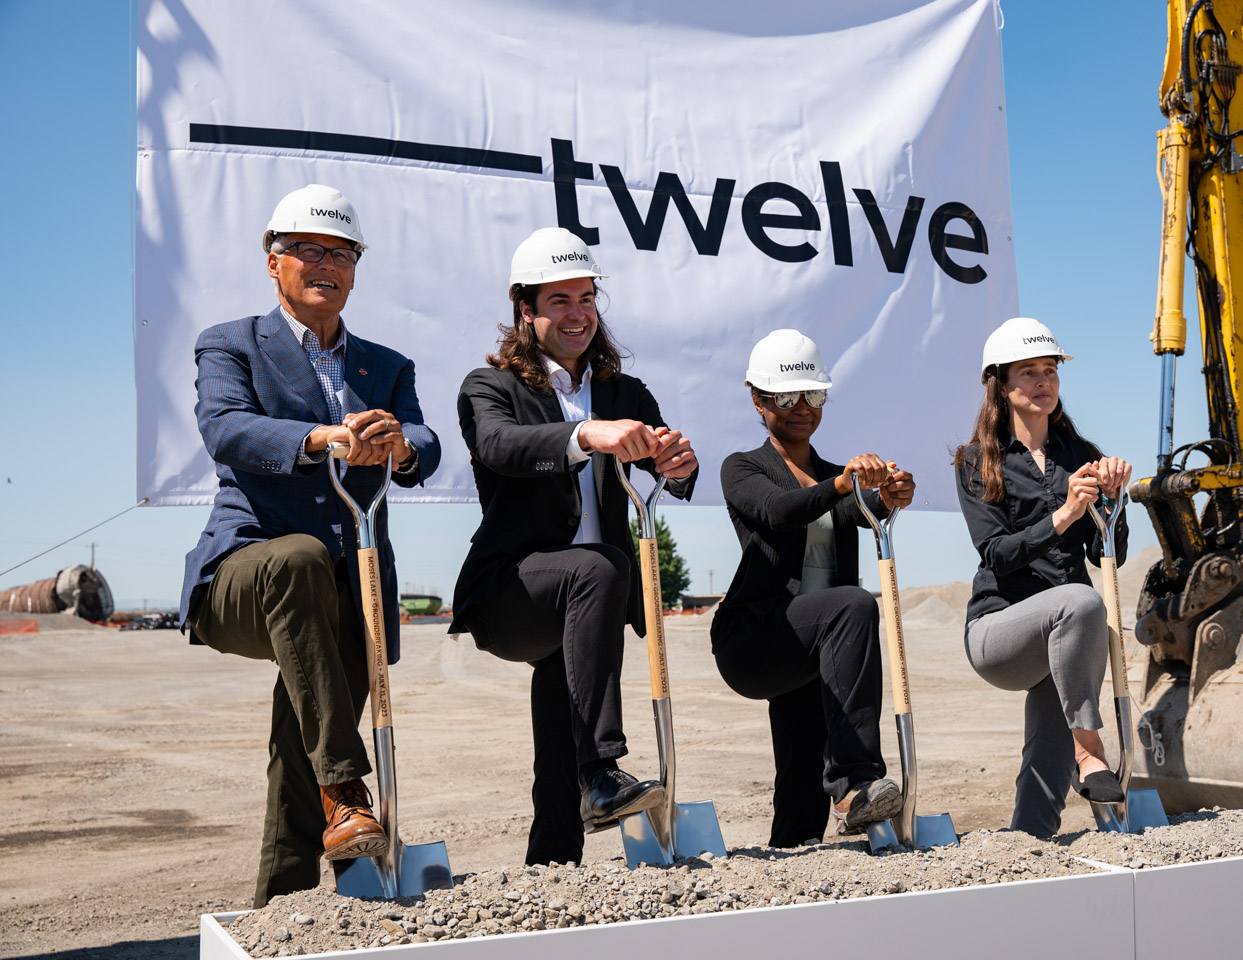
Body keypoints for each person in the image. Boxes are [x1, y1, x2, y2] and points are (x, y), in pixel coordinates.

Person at [180, 184, 441, 907]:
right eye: (308, 250)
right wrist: (318, 437)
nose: (325, 264)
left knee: (300, 755)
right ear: (273, 261)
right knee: (295, 556)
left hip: (351, 591)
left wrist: (401, 447)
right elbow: (225, 427)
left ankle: (289, 913)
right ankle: (347, 784)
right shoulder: (230, 344)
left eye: (341, 253)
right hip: (247, 573)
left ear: (356, 268)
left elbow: (424, 438)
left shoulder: (386, 366)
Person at [450, 227, 698, 866]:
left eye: (586, 298)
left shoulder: (625, 393)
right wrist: (586, 433)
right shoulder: (489, 387)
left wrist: (676, 462)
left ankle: (553, 866)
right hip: (514, 589)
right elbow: (499, 447)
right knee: (598, 567)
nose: (577, 314)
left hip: (587, 602)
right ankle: (604, 769)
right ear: (525, 313)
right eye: (558, 301)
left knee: (562, 719)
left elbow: (670, 465)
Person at [711, 329, 912, 846]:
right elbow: (779, 512)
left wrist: (888, 495)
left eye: (814, 395)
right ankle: (855, 781)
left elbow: (856, 510)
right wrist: (845, 484)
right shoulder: (743, 468)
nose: (803, 407)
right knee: (853, 604)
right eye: (786, 396)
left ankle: (790, 874)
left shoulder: (830, 473)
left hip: (817, 651)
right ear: (757, 399)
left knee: (799, 793)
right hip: (756, 639)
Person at [954, 316, 1129, 838]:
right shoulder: (975, 462)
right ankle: (1090, 747)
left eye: (1049, 370)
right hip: (998, 632)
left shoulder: (1082, 454)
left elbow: (1107, 555)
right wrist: (1065, 515)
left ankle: (1025, 848)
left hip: (1066, 636)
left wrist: (1114, 503)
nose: (1042, 381)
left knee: (1041, 798)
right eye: (1028, 372)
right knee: (1080, 603)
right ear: (1001, 387)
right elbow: (996, 554)